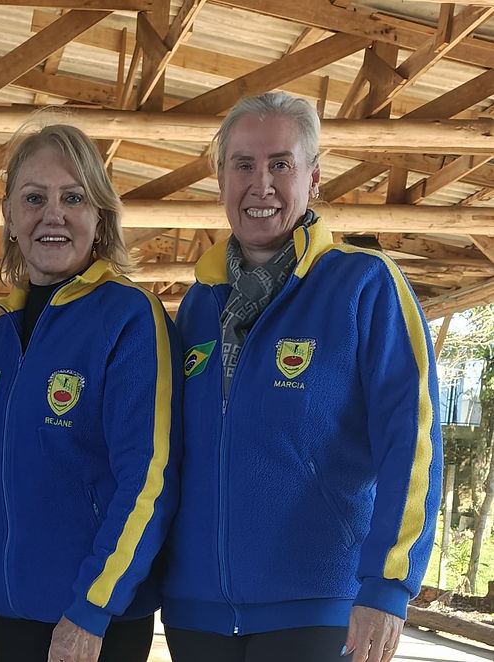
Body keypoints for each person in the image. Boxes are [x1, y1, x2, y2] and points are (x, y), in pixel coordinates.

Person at [159, 91, 443, 662]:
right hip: (196, 614)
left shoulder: (365, 285)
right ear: (221, 181)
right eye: (243, 165)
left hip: (317, 607)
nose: (260, 184)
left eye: (280, 165)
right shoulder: (198, 307)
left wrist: (388, 583)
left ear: (313, 179)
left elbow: (412, 440)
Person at [0, 123, 183, 662]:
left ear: (100, 218)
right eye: (34, 198)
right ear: (9, 216)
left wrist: (93, 606)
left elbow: (149, 477)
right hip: (14, 613)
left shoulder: (129, 317)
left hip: (93, 621)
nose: (53, 215)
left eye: (73, 198)